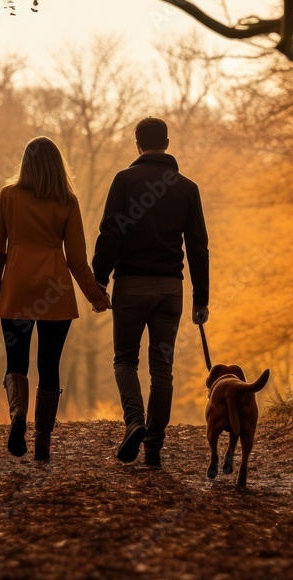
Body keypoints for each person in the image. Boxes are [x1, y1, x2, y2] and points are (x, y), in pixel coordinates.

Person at [0, 137, 111, 461]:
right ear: (57, 164)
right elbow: (77, 259)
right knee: (49, 365)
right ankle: (43, 442)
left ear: (25, 162)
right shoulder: (67, 200)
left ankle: (18, 416)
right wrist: (97, 296)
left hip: (16, 291)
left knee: (15, 362)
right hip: (55, 294)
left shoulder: (7, 195)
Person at [92, 117, 210, 467]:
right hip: (170, 290)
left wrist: (98, 279)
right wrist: (201, 298)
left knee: (125, 360)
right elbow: (199, 247)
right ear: (168, 143)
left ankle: (135, 422)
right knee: (162, 369)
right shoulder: (188, 188)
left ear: (137, 144)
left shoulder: (124, 181)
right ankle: (154, 447)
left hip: (130, 286)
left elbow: (111, 233)